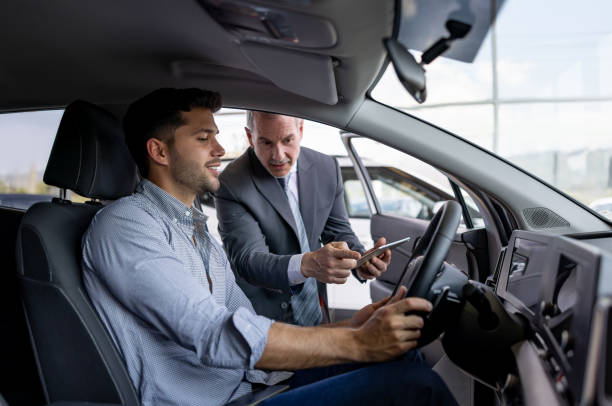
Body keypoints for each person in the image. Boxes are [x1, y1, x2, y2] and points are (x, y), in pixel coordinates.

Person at [82, 88, 457, 406]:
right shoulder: (126, 225)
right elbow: (213, 332)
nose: (220, 148)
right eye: (203, 138)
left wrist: (352, 326)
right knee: (416, 387)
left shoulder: (196, 230)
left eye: (215, 135)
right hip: (217, 399)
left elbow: (243, 320)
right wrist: (356, 342)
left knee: (402, 358)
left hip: (252, 383)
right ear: (159, 152)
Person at [215, 111, 391, 325]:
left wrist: (359, 258)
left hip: (317, 306)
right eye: (266, 143)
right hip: (263, 315)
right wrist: (309, 264)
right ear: (250, 137)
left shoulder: (326, 167)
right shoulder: (231, 183)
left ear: (300, 130)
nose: (278, 155)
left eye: (287, 140)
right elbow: (248, 260)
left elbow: (337, 230)